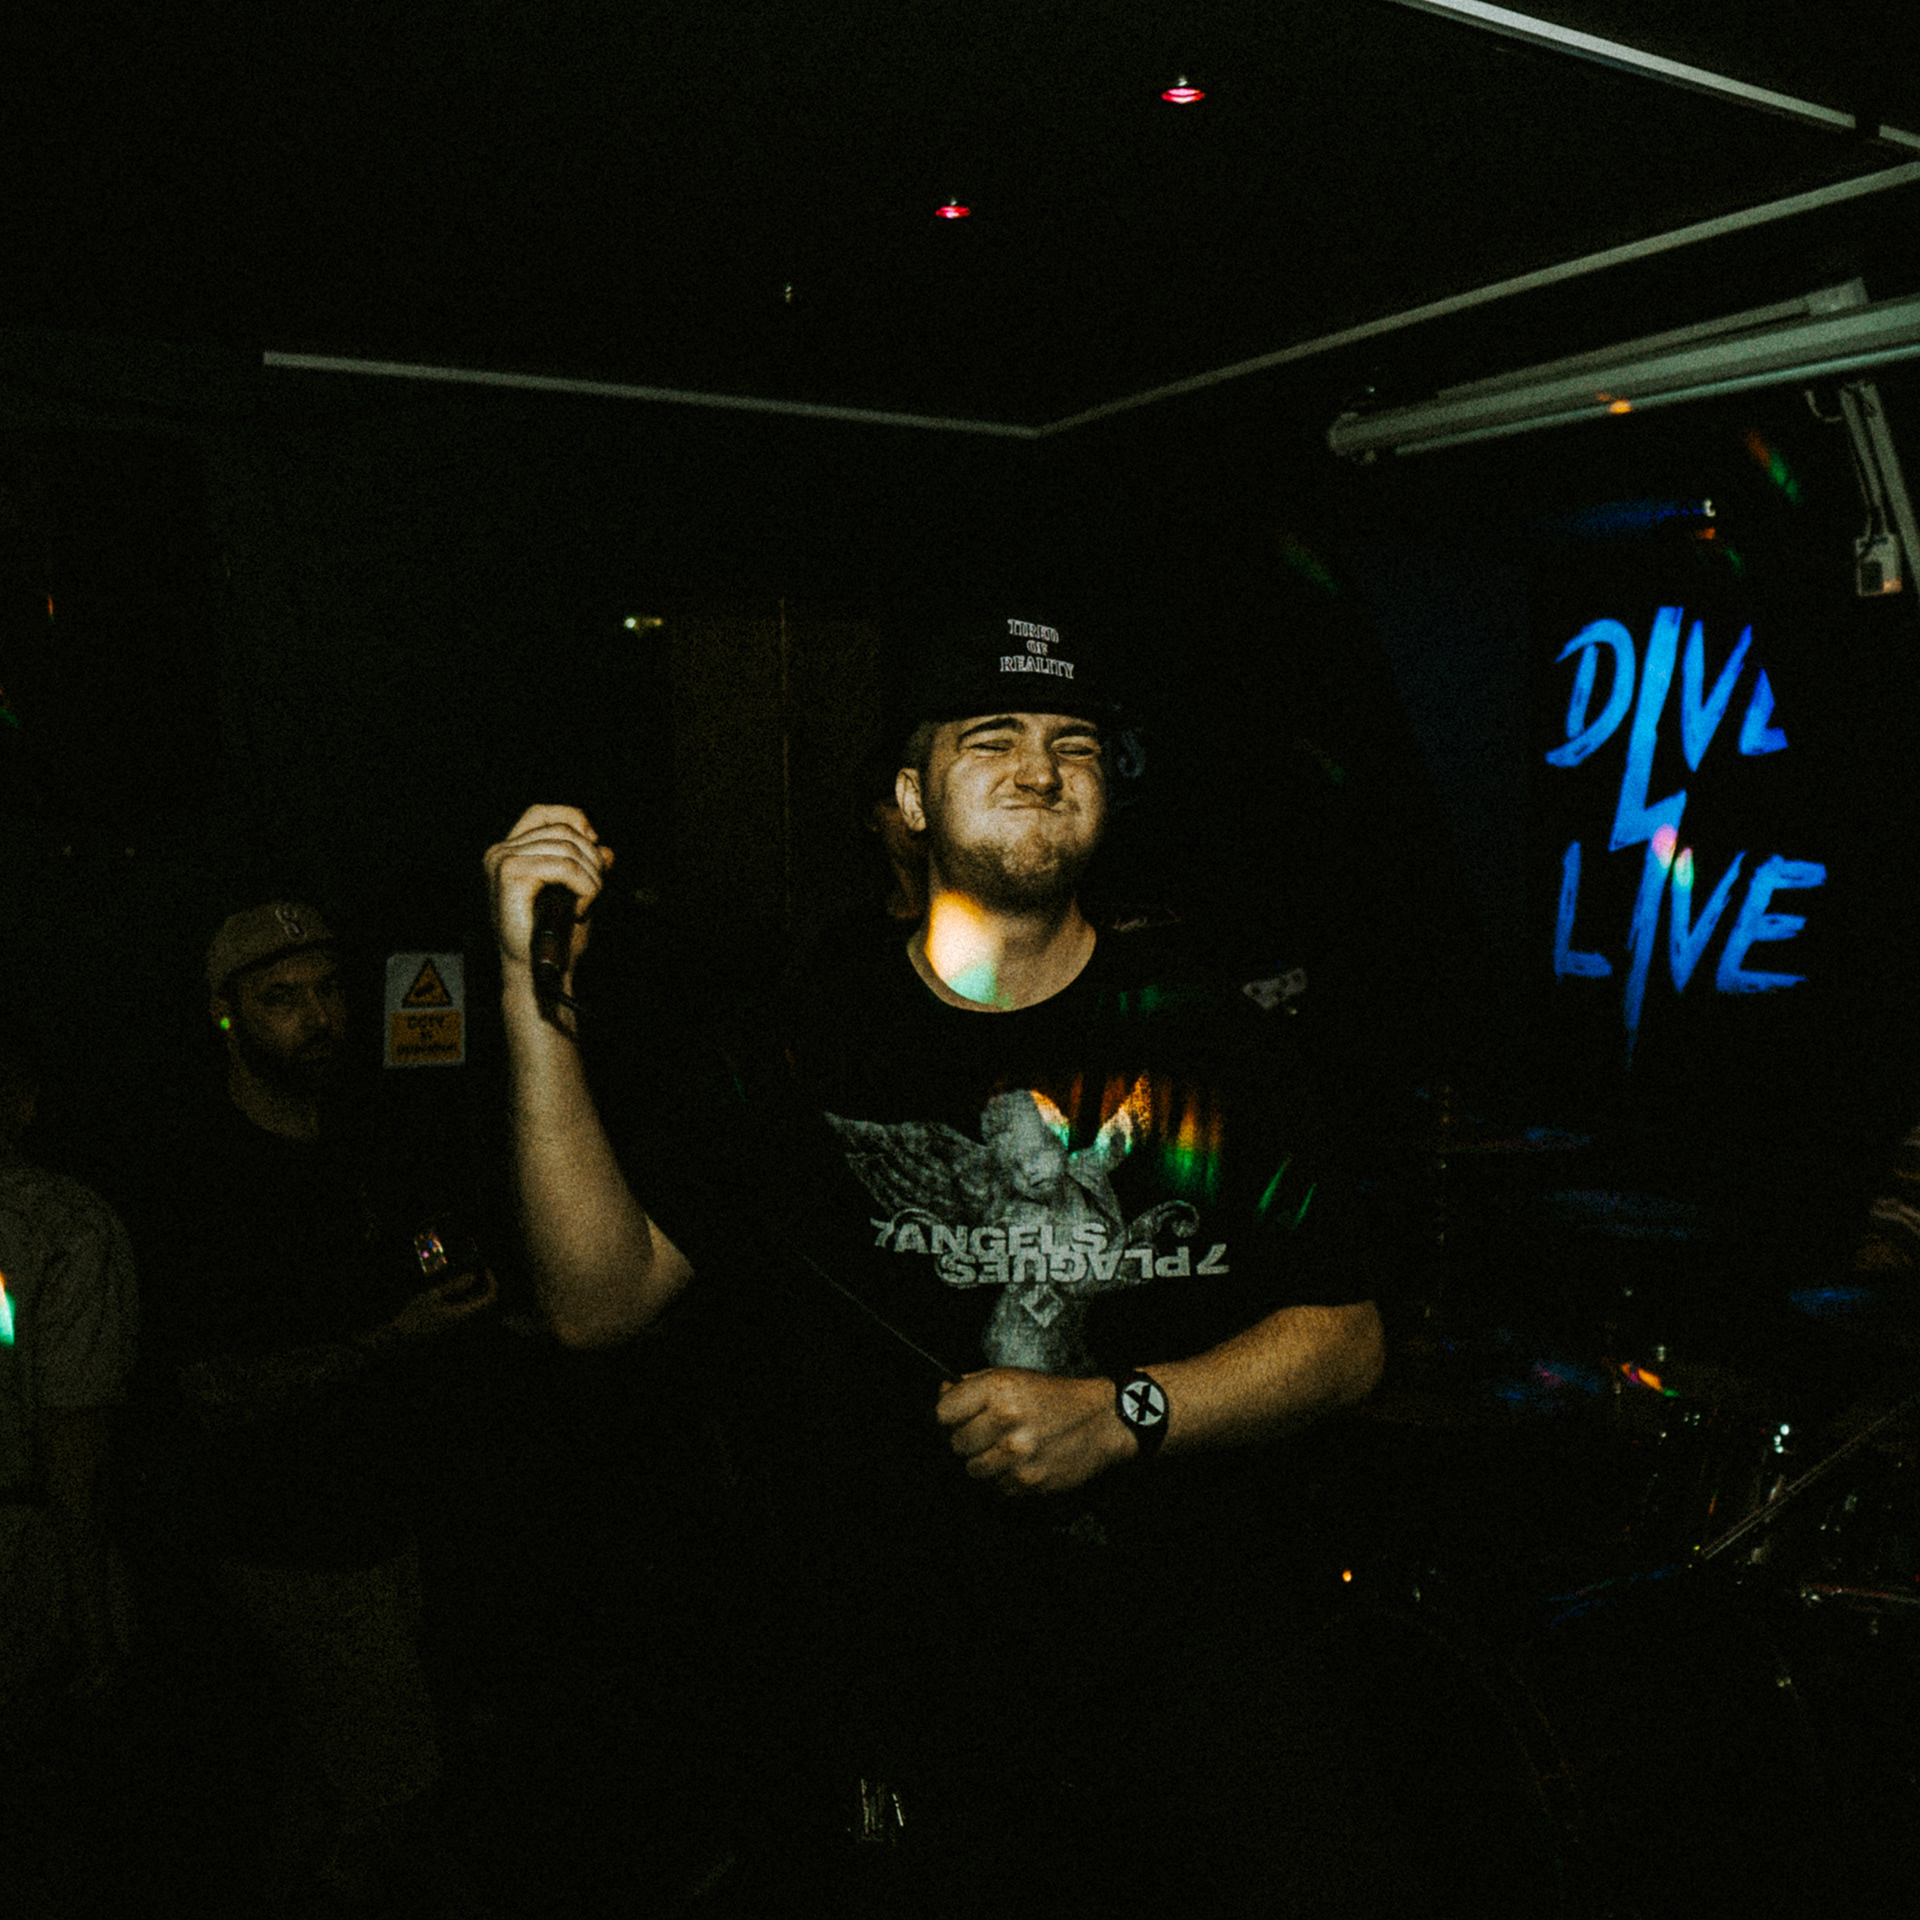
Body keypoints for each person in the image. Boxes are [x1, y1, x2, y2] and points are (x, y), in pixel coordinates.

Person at [485, 606, 1387, 1915]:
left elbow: (1348, 1340)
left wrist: (1126, 1414)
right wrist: (535, 999)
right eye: (994, 737)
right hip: (920, 1708)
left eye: (1075, 742)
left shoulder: (1213, 1042)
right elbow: (597, 1301)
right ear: (910, 799)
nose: (1041, 768)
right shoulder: (806, 1046)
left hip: (1193, 1692)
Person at [132, 902, 498, 1917]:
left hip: (388, 1517)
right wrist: (391, 1339)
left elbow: (424, 1255)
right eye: (283, 999)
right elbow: (207, 1390)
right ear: (226, 1015)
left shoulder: (364, 1132)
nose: (319, 1016)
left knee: (333, 1776)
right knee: (399, 1782)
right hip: (291, 1540)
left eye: (330, 989)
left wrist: (468, 1303)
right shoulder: (198, 1177)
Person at [0, 1011, 139, 1722]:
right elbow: (71, 1449)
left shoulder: (60, 1226)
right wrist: (95, 1637)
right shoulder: (66, 1224)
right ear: (25, 1105)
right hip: (21, 1554)